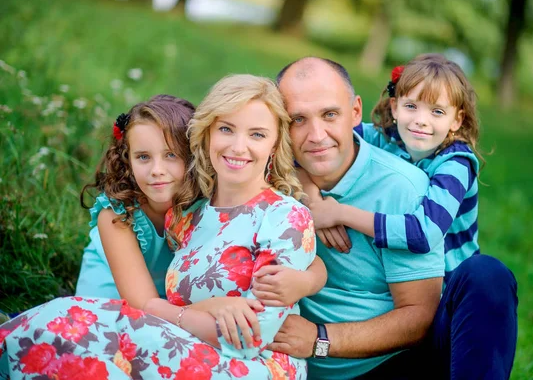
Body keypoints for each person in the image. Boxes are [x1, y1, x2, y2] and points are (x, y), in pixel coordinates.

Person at [0, 75, 319, 379]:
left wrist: (308, 279)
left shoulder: (284, 217)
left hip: (248, 363)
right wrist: (207, 308)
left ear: (275, 146)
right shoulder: (188, 216)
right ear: (206, 136)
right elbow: (159, 303)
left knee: (81, 339)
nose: (237, 146)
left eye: (257, 134)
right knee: (64, 331)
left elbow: (250, 335)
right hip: (170, 332)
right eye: (226, 129)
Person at [269, 57, 518, 380]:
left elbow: (424, 231)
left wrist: (339, 212)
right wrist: (308, 193)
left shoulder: (445, 167)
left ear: (353, 112)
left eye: (330, 114)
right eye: (297, 119)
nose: (317, 134)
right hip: (287, 364)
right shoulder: (262, 166)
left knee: (486, 276)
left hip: (426, 327)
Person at [304, 53, 482, 284]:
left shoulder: (456, 163)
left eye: (437, 111)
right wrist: (312, 199)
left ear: (456, 120)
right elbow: (315, 148)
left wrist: (339, 214)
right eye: (411, 106)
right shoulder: (381, 137)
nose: (421, 120)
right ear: (395, 108)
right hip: (395, 276)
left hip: (449, 289)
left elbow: (423, 233)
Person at [75, 94, 200, 301]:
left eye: (171, 155)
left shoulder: (207, 206)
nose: (157, 170)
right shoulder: (116, 215)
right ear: (128, 159)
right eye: (143, 157)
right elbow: (143, 305)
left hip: (174, 297)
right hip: (113, 290)